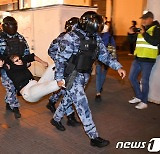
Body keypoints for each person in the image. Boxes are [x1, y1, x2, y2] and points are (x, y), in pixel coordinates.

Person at [50, 11, 126, 147]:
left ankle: (55, 119)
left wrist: (118, 67)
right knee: (82, 105)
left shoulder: (95, 38)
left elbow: (104, 55)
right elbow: (60, 60)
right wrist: (59, 78)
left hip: (85, 75)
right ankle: (93, 137)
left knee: (68, 99)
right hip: (72, 76)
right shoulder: (71, 37)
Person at [46, 17, 81, 127]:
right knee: (67, 92)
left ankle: (51, 103)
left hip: (72, 70)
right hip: (65, 70)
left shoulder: (78, 38)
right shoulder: (62, 38)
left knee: (63, 91)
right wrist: (59, 62)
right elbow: (50, 50)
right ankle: (69, 118)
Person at [128, 11, 160, 109]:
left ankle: (144, 101)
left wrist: (144, 34)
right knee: (131, 77)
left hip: (148, 59)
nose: (143, 21)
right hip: (138, 58)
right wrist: (130, 34)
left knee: (144, 81)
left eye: (145, 19)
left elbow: (155, 42)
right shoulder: (142, 29)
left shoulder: (156, 29)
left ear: (151, 19)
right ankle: (139, 96)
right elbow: (132, 41)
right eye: (142, 19)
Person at [0, 16, 31, 119]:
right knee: (10, 86)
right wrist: (2, 63)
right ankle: (15, 107)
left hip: (18, 67)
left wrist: (27, 61)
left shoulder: (20, 37)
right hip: (6, 68)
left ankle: (9, 102)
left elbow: (26, 50)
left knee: (15, 87)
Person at [95, 17, 116, 102]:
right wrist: (114, 60)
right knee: (103, 73)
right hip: (107, 58)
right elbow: (113, 48)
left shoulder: (97, 36)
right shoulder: (110, 37)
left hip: (98, 58)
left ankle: (98, 92)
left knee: (98, 74)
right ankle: (99, 88)